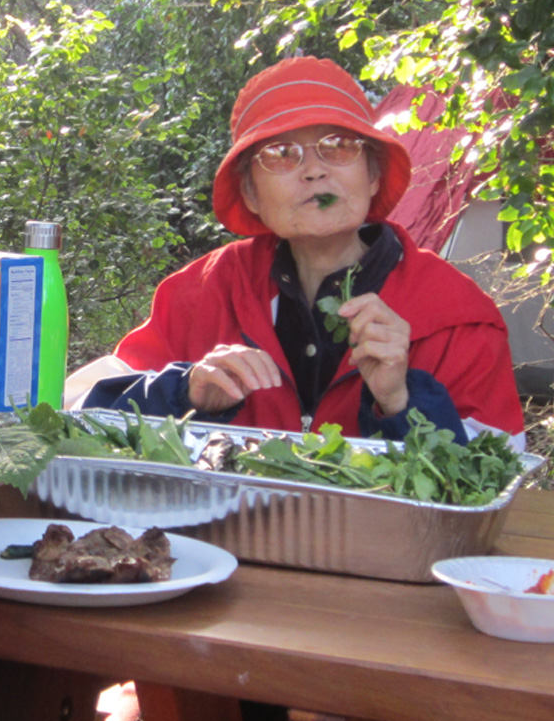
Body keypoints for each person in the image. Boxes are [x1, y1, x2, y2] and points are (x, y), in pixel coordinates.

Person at [84, 55, 526, 447]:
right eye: (281, 153)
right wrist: (184, 393)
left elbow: (492, 478)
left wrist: (399, 402)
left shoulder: (457, 314)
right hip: (216, 539)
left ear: (373, 175)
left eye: (339, 146)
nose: (314, 170)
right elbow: (85, 422)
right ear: (251, 195)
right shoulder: (198, 295)